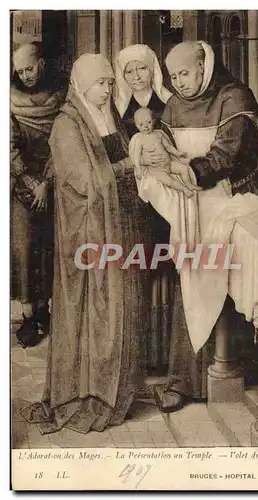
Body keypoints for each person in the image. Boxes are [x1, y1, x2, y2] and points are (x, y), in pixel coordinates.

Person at [20, 54, 146, 433]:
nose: (107, 89)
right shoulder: (66, 125)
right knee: (87, 311)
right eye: (100, 83)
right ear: (82, 85)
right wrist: (130, 166)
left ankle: (111, 389)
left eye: (110, 83)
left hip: (116, 228)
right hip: (85, 234)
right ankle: (83, 393)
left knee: (115, 309)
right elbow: (88, 182)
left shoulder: (109, 118)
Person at [153, 41, 258, 413]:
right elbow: (165, 147)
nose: (180, 83)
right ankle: (186, 380)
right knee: (190, 283)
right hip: (190, 208)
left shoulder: (234, 97)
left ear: (203, 66)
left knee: (232, 284)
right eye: (173, 77)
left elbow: (227, 155)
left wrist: (189, 171)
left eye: (185, 73)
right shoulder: (172, 104)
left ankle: (237, 371)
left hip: (235, 203)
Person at [115, 45, 174, 375]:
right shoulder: (118, 109)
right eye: (129, 71)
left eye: (142, 69)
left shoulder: (168, 104)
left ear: (152, 70)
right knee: (138, 262)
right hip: (133, 198)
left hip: (164, 198)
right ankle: (141, 356)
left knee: (164, 261)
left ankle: (165, 354)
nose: (136, 76)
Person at [10, 42, 67, 347]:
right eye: (20, 71)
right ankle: (29, 315)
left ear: (41, 63)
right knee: (23, 247)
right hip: (22, 186)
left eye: (29, 68)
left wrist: (47, 181)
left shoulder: (62, 95)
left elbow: (62, 142)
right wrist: (32, 183)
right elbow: (10, 146)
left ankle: (48, 311)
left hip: (55, 182)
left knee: (53, 246)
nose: (26, 76)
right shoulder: (9, 97)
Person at [130, 107, 200, 197]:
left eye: (149, 122)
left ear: (154, 120)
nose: (146, 126)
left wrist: (177, 153)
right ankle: (184, 189)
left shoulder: (159, 134)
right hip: (157, 170)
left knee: (184, 168)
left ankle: (189, 184)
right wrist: (138, 168)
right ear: (136, 125)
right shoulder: (139, 139)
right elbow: (136, 155)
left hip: (168, 164)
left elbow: (168, 147)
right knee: (170, 181)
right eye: (141, 124)